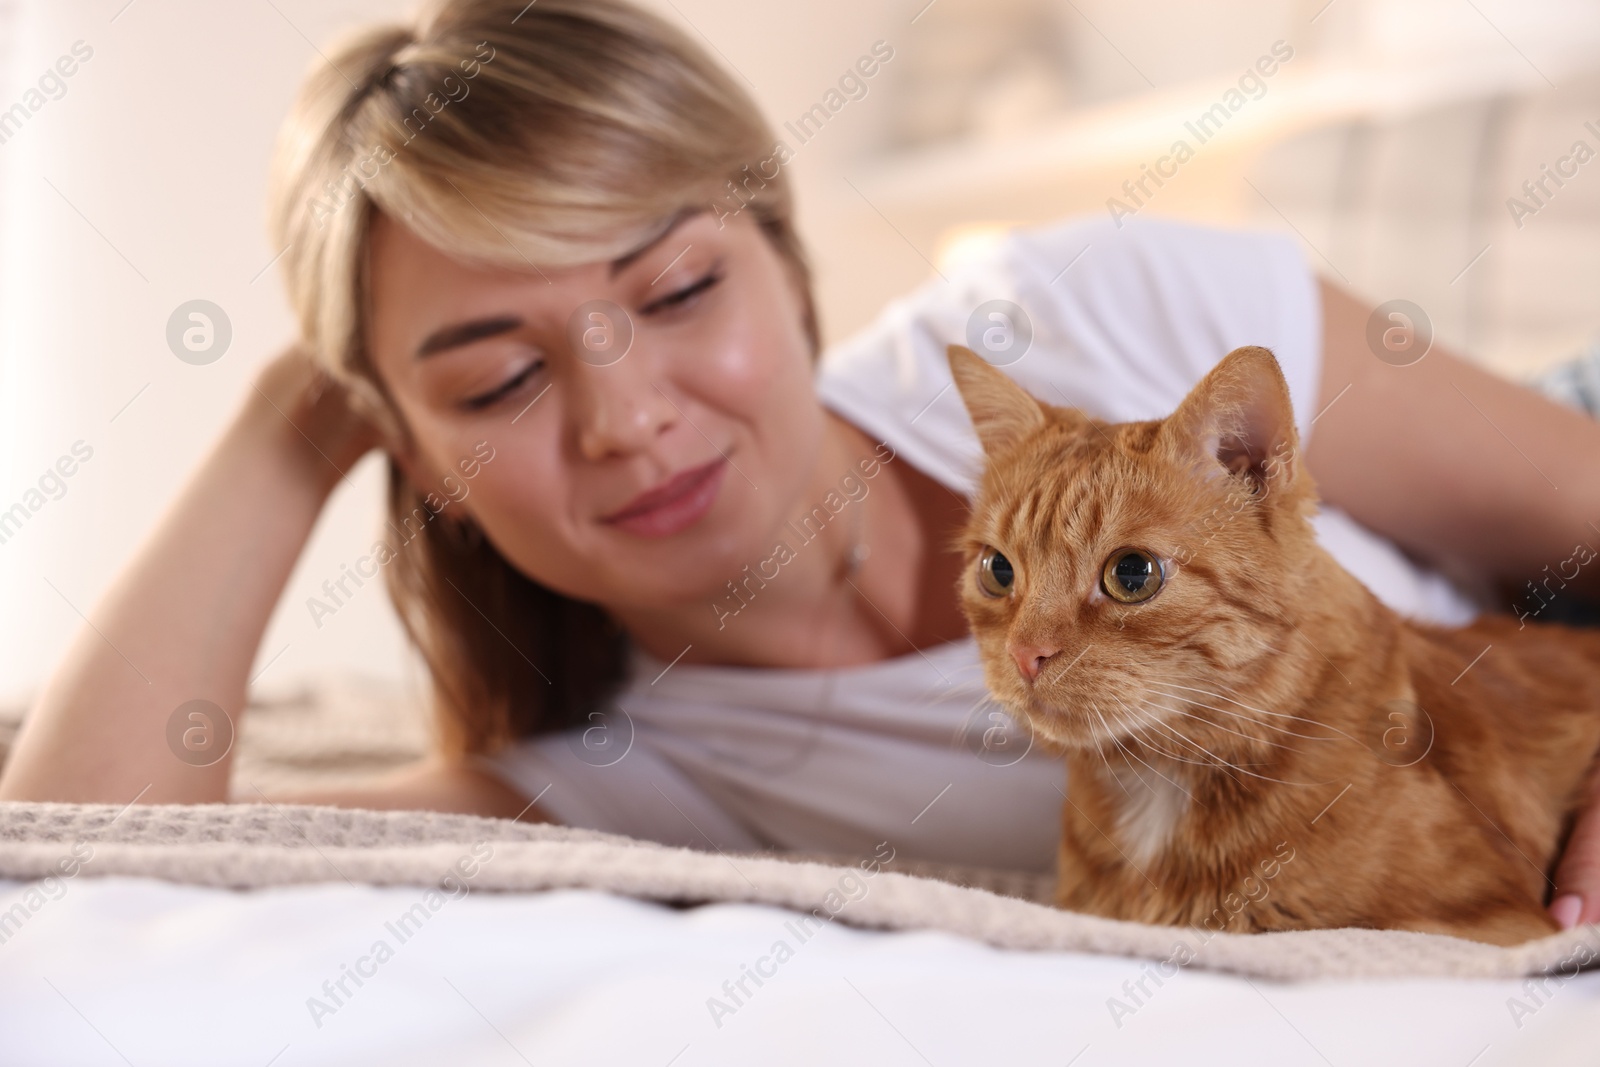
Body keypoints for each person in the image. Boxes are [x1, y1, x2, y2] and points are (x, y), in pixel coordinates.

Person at [4, 0, 1600, 925]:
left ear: (790, 263)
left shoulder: (1087, 308)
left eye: (680, 289)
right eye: (495, 378)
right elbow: (85, 871)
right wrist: (299, 412)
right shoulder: (636, 779)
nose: (628, 416)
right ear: (413, 455)